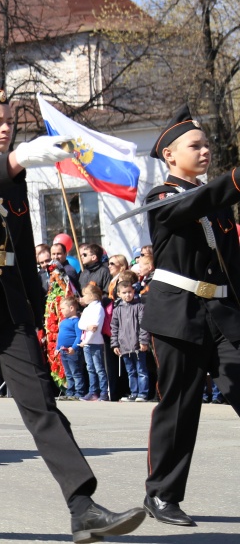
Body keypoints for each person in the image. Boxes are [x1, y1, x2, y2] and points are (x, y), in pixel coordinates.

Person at [0, 80, 143, 543]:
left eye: (10, 123)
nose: (6, 130)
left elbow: (21, 251)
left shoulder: (14, 179)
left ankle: (82, 507)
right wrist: (19, 159)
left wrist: (31, 312)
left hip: (8, 303)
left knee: (42, 404)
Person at [141, 104, 240, 526]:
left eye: (207, 145)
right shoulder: (160, 198)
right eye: (195, 146)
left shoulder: (217, 203)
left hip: (222, 313)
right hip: (178, 314)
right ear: (170, 155)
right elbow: (188, 205)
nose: (205, 152)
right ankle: (162, 494)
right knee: (179, 407)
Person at [110, 271, 149, 402]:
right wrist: (115, 344)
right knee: (131, 371)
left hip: (137, 345)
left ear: (134, 291)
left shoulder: (139, 307)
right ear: (119, 294)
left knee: (141, 370)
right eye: (124, 293)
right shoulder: (117, 309)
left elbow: (143, 325)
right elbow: (114, 328)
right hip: (124, 345)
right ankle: (134, 392)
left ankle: (142, 393)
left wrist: (143, 341)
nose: (128, 295)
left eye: (130, 292)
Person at [78, 284, 108, 402]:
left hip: (94, 342)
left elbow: (95, 328)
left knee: (99, 368)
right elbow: (81, 324)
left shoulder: (98, 308)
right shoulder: (87, 309)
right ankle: (93, 392)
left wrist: (86, 340)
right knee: (90, 368)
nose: (83, 297)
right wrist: (87, 327)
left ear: (92, 295)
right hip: (86, 342)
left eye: (85, 295)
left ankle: (104, 392)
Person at [56, 296, 85, 400]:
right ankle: (70, 391)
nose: (61, 311)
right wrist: (57, 348)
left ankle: (79, 392)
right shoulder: (63, 322)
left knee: (76, 372)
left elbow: (79, 336)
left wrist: (74, 348)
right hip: (63, 351)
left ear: (72, 308)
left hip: (72, 351)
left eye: (63, 308)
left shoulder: (76, 321)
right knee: (68, 373)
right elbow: (60, 336)